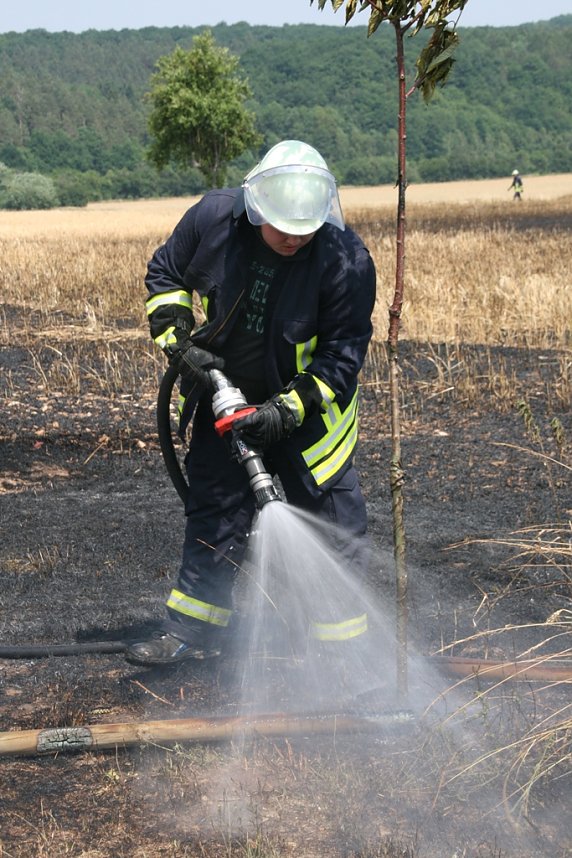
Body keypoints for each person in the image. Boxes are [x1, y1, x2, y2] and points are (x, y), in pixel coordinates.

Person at [126, 140, 377, 666]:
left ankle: (346, 658)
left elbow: (342, 354)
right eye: (282, 226)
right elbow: (165, 275)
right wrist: (180, 344)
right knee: (215, 512)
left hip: (310, 417)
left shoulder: (345, 260)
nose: (292, 238)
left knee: (334, 525)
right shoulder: (214, 220)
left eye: (303, 228)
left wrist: (287, 410)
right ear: (256, 207)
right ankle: (194, 631)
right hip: (227, 401)